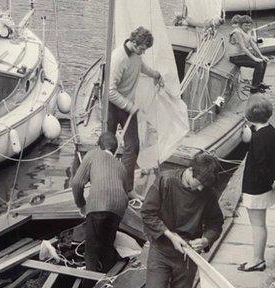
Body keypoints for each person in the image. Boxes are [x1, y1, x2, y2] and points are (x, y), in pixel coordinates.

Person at [141, 152, 224, 288]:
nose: (200, 188)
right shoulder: (166, 181)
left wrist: (206, 240)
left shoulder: (208, 192)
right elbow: (147, 213)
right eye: (199, 183)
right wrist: (170, 235)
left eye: (205, 186)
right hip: (161, 250)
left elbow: (216, 223)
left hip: (188, 255)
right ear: (190, 170)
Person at [108, 26, 166, 191]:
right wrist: (129, 106)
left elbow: (141, 67)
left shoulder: (136, 55)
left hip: (127, 107)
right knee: (108, 147)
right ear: (134, 42)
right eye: (142, 48)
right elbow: (110, 91)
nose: (144, 52)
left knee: (133, 147)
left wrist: (157, 75)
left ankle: (127, 189)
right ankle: (104, 181)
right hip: (112, 107)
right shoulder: (118, 58)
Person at [70, 132, 131, 272]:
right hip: (119, 208)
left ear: (98, 146)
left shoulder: (92, 154)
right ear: (115, 150)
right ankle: (107, 278)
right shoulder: (121, 167)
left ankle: (89, 281)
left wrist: (81, 205)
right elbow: (125, 194)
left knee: (91, 251)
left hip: (98, 204)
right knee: (107, 248)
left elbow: (77, 183)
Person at [238, 96, 275, 272]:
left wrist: (269, 181)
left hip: (255, 187)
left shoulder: (257, 139)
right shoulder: (271, 132)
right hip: (265, 186)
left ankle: (257, 260)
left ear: (249, 117)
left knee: (257, 225)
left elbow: (261, 164)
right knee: (261, 223)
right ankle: (258, 258)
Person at [229, 15, 270, 93]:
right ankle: (254, 88)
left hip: (242, 55)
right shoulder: (237, 32)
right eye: (245, 25)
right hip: (235, 57)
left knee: (263, 61)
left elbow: (253, 44)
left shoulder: (247, 32)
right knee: (258, 64)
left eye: (249, 25)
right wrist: (254, 58)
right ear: (241, 25)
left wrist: (261, 56)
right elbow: (243, 48)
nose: (247, 27)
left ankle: (259, 83)